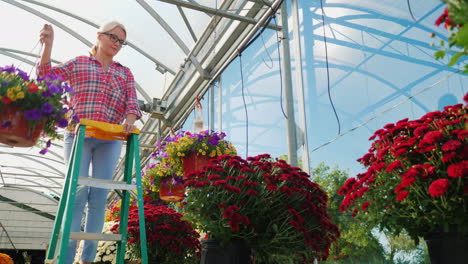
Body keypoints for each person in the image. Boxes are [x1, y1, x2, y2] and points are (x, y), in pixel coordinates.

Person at [38, 21, 142, 264]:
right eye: (113, 38)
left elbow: (132, 102)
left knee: (98, 197)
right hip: (79, 137)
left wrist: (129, 119)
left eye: (121, 42)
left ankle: (87, 259)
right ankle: (65, 257)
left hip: (110, 139)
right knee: (77, 194)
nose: (117, 44)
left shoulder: (124, 72)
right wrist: (48, 45)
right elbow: (46, 79)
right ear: (99, 36)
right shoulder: (79, 63)